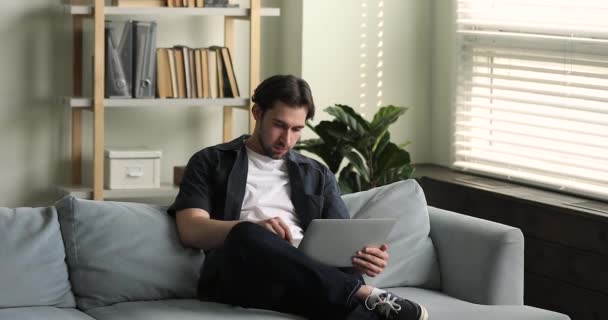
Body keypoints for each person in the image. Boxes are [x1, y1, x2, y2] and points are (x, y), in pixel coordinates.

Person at [167, 74, 428, 320]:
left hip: (306, 276)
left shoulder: (316, 173)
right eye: (279, 126)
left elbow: (340, 237)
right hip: (244, 272)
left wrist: (366, 256)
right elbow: (190, 229)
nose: (287, 139)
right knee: (246, 233)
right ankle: (361, 294)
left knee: (344, 300)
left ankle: (357, 298)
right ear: (257, 113)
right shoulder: (210, 161)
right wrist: (251, 228)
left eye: (296, 129)